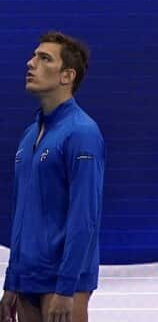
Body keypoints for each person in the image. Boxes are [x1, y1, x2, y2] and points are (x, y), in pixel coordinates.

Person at [0, 32, 104, 322]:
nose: (30, 63)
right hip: (27, 277)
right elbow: (23, 214)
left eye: (44, 58)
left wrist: (67, 286)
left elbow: (85, 216)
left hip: (62, 279)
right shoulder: (29, 134)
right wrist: (12, 281)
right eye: (34, 56)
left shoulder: (82, 132)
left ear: (66, 76)